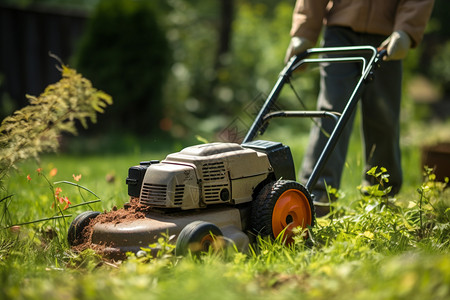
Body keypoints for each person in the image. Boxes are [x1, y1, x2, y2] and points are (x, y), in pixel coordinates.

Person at [285, 0, 435, 217]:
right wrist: (305, 31)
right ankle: (317, 195)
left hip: (388, 37)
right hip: (340, 32)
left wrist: (407, 30)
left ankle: (381, 195)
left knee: (383, 117)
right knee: (332, 112)